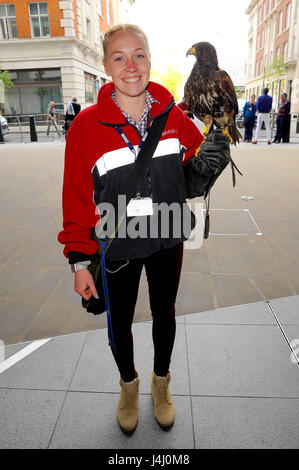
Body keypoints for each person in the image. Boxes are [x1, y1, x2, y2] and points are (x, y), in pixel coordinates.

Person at [58, 24, 203, 434]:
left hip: (166, 235)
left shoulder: (173, 115)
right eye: (119, 57)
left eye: (138, 54)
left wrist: (212, 154)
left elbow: (194, 159)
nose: (131, 65)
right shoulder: (86, 126)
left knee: (164, 313)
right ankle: (128, 386)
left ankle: (161, 383)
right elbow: (75, 198)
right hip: (117, 243)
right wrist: (79, 262)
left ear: (150, 60)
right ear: (106, 66)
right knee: (119, 319)